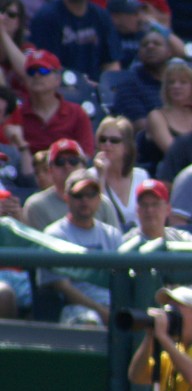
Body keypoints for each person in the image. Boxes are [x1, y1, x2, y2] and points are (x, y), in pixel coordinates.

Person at [39, 168, 124, 325]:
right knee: (88, 321)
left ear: (99, 199)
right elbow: (62, 286)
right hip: (76, 307)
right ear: (67, 198)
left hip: (115, 305)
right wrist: (100, 310)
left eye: (91, 195)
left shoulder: (112, 235)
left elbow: (124, 280)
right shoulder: (55, 235)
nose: (85, 201)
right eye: (78, 195)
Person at [31, 0, 121, 80]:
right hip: (58, 86)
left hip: (95, 91)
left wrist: (104, 89)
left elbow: (111, 63)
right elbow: (44, 65)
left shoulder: (101, 16)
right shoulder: (46, 17)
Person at [22, 139, 121, 230]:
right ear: (50, 169)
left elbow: (115, 245)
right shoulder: (36, 206)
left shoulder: (101, 203)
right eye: (60, 161)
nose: (67, 166)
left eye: (73, 160)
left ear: (83, 166)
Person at [10, 50, 94, 157]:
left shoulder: (77, 113)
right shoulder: (17, 115)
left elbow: (87, 155)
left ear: (58, 79)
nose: (36, 75)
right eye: (31, 71)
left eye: (43, 71)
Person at [91, 116, 148, 230]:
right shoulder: (90, 176)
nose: (107, 144)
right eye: (103, 139)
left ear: (126, 147)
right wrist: (101, 177)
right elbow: (96, 215)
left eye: (114, 140)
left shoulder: (141, 176)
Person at [120, 179, 192, 248]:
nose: (149, 210)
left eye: (155, 204)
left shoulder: (183, 239)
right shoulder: (126, 243)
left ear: (167, 209)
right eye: (144, 204)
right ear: (137, 210)